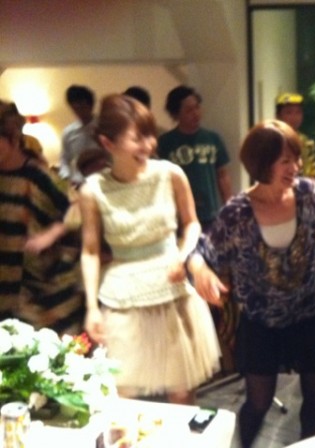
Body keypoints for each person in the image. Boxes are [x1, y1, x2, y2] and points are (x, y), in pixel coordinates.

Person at [187, 119, 315, 447]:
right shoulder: (238, 212)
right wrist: (200, 270)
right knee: (257, 402)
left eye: (296, 158)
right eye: (286, 160)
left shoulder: (306, 194)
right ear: (262, 163)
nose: (296, 167)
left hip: (308, 313)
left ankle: (305, 443)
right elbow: (203, 251)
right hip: (262, 321)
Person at [79, 94, 220, 405]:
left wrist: (182, 257)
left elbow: (192, 224)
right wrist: (91, 307)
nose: (148, 145)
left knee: (181, 393)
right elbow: (90, 251)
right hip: (122, 294)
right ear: (107, 143)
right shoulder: (92, 190)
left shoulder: (170, 174)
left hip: (171, 289)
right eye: (137, 138)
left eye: (150, 135)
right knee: (122, 392)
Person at [0, 100, 83, 334]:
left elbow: (78, 209)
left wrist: (52, 233)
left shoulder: (40, 177)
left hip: (38, 290)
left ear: (13, 138)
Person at [157, 85, 232, 233]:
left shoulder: (212, 139)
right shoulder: (165, 143)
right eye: (189, 110)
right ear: (176, 114)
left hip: (211, 214)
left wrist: (229, 206)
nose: (195, 113)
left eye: (197, 107)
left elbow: (222, 175)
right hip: (179, 216)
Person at [59, 85, 101, 185]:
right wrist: (66, 176)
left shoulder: (104, 127)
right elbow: (64, 159)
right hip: (79, 182)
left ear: (90, 105)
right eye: (75, 108)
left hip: (102, 180)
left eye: (82, 107)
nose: (78, 111)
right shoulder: (68, 132)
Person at [275, 92, 315, 179]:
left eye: (298, 112)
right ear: (278, 115)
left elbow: (312, 173)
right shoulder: (272, 141)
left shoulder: (307, 143)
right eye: (289, 112)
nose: (294, 117)